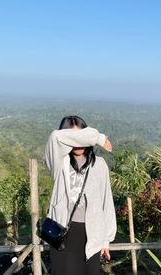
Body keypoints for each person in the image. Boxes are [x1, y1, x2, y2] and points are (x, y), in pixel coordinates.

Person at [45, 115, 117, 275]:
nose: (79, 142)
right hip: (63, 233)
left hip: (91, 233)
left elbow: (107, 203)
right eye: (73, 136)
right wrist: (98, 137)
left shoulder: (99, 165)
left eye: (82, 136)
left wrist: (106, 240)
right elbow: (55, 137)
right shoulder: (59, 162)